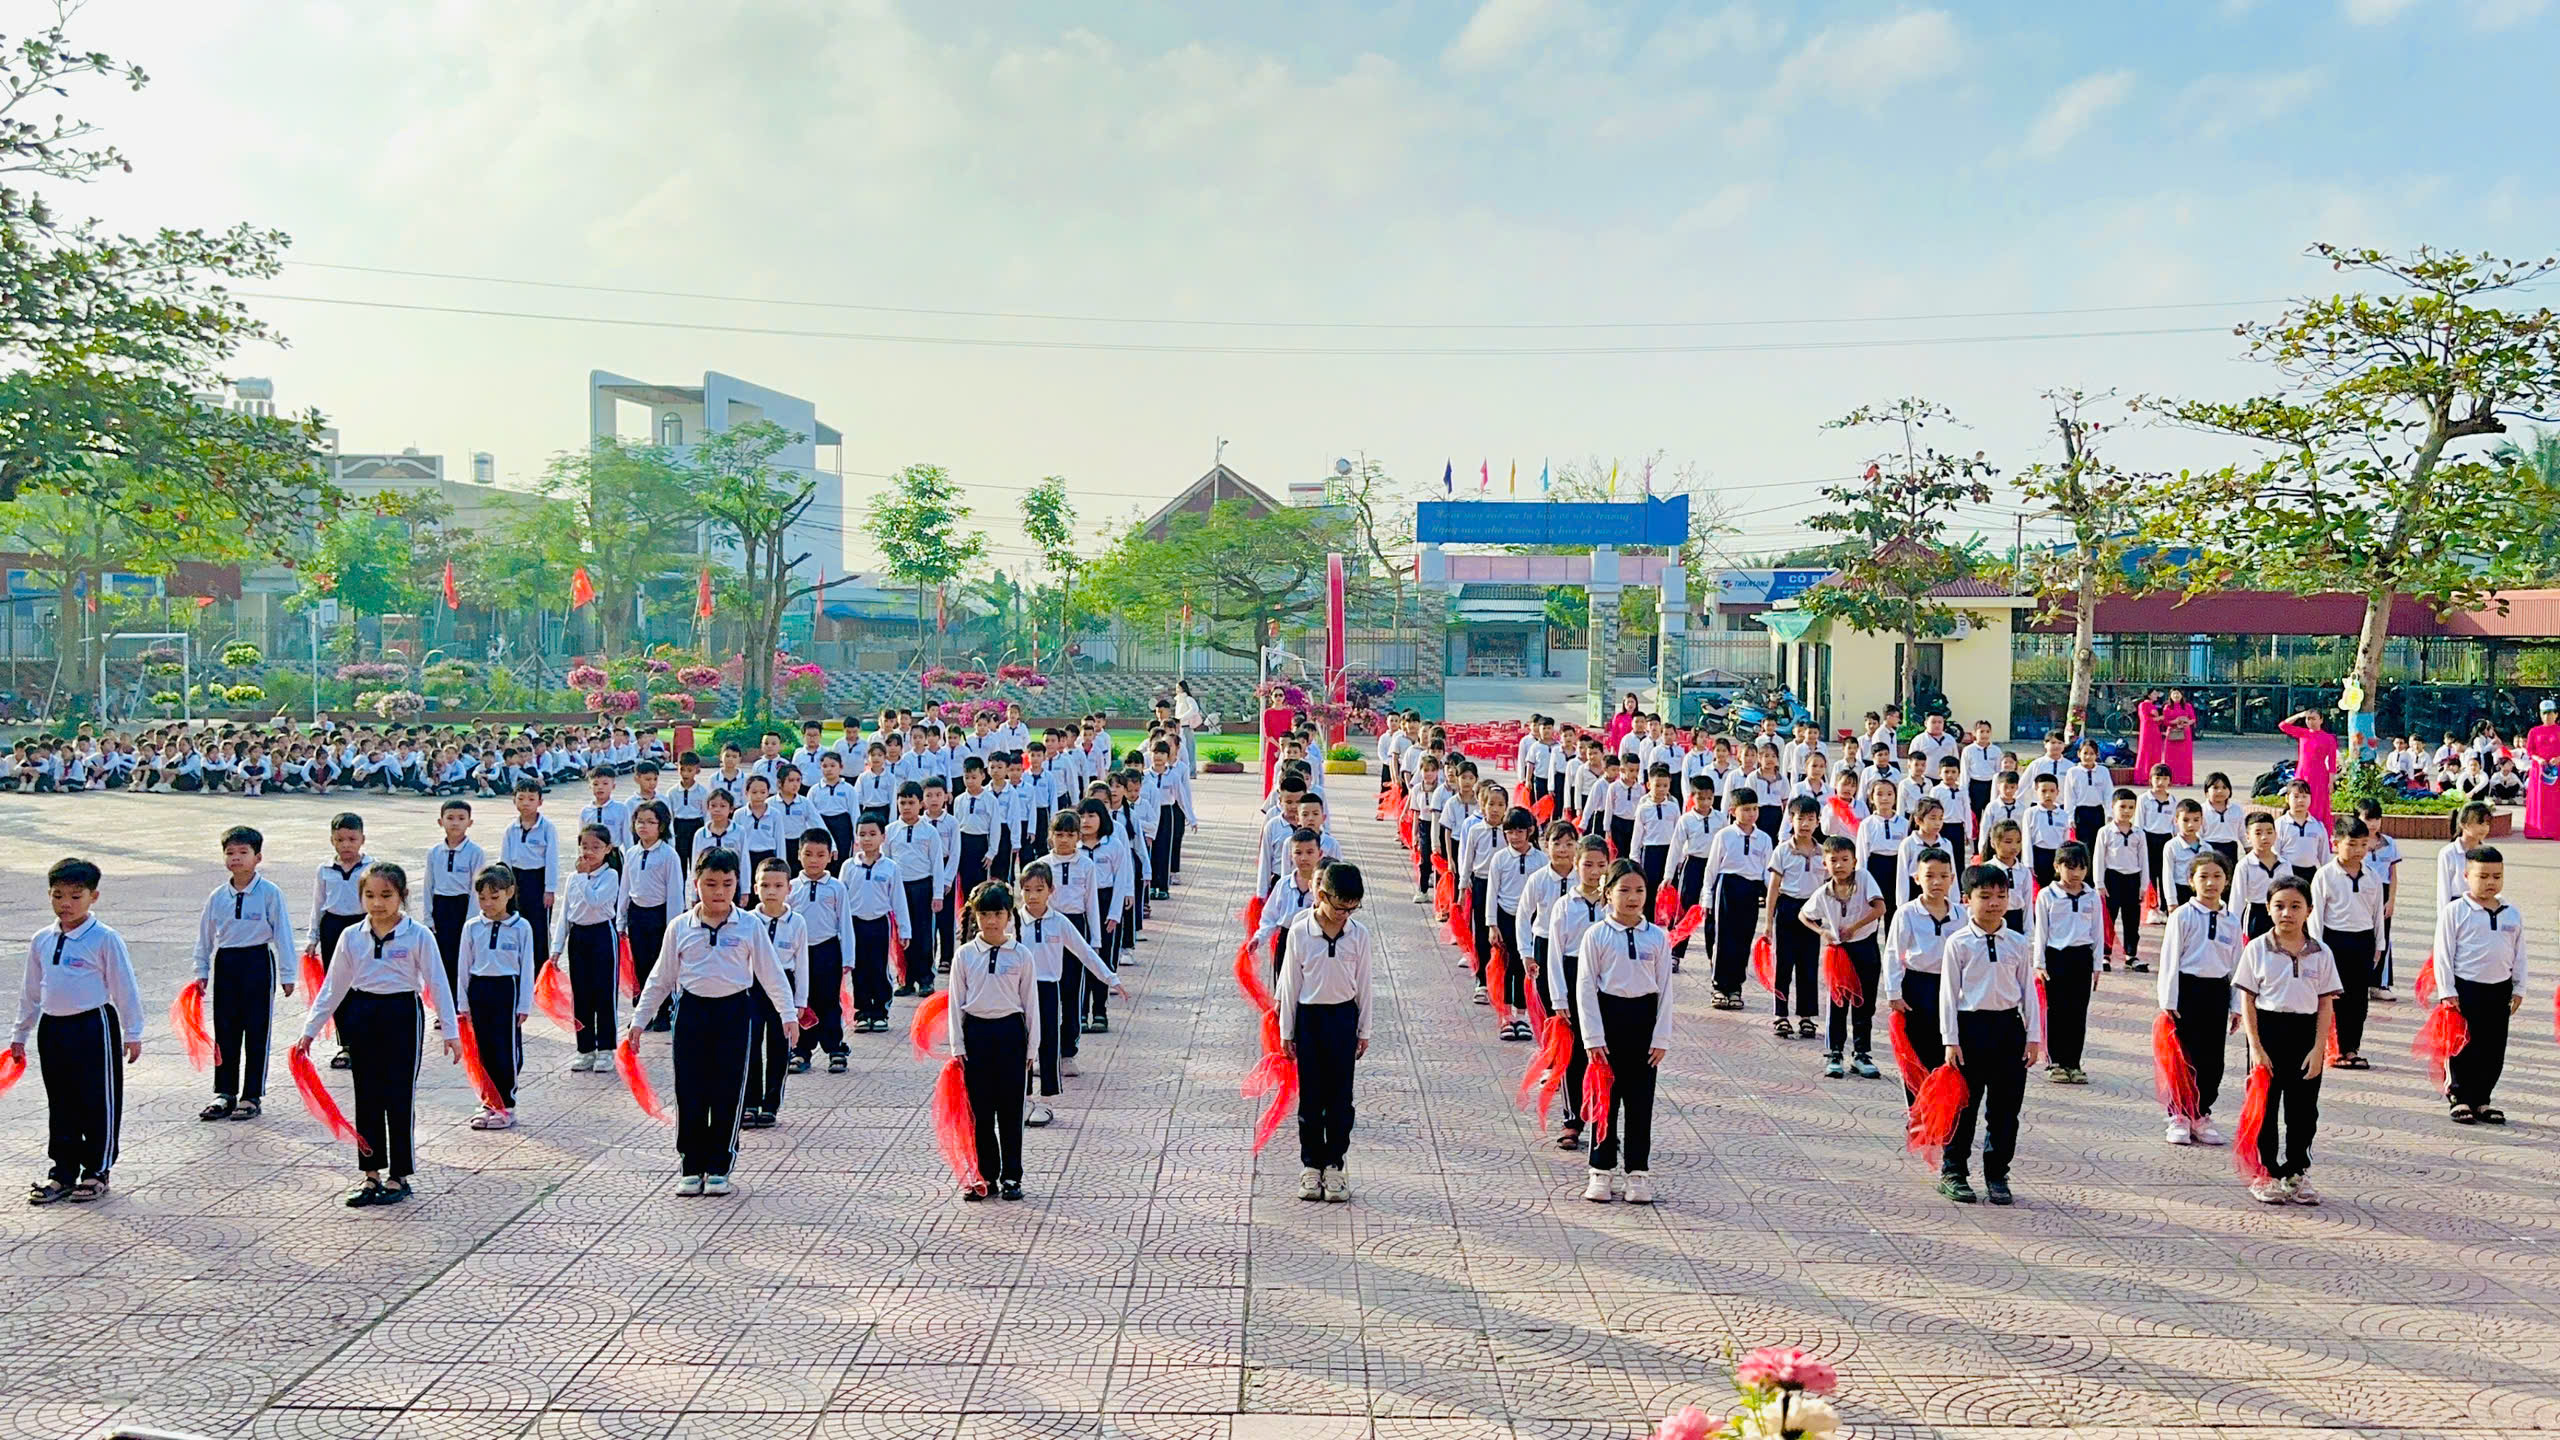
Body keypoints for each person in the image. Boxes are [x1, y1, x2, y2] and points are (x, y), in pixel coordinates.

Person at [628, 847, 796, 1197]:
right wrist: (639, 1020)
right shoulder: (680, 927)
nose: (719, 892)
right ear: (696, 884)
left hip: (734, 1012)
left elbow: (771, 973)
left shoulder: (749, 925)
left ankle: (719, 1165)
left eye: (727, 884)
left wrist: (788, 1014)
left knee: (728, 1088)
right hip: (691, 1012)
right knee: (690, 1089)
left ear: (738, 885)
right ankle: (691, 1165)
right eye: (711, 883)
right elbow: (661, 978)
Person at [296, 863, 463, 1208]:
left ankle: (398, 1175)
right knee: (367, 1095)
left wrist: (451, 1030)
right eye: (370, 895)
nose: (377, 903)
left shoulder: (418, 935)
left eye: (386, 895)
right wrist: (310, 1031)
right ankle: (370, 1174)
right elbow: (333, 986)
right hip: (363, 1013)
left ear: (402, 896)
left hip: (402, 1014)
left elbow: (438, 982)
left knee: (399, 1095)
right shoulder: (351, 936)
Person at [13, 857, 143, 1205]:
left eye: (75, 896)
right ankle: (63, 1171)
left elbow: (124, 986)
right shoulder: (42, 939)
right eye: (57, 896)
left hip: (93, 1025)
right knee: (61, 1101)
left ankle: (97, 1170)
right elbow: (30, 990)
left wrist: (133, 1031)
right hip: (53, 1027)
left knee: (97, 1099)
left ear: (93, 897)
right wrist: (20, 1033)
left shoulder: (104, 938)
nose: (65, 904)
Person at [1937, 864, 2042, 1206]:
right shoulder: (1958, 943)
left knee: (2005, 1109)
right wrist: (1950, 1040)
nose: (1994, 903)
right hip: (1970, 1030)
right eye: (1985, 896)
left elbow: (2028, 992)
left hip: (2008, 1029)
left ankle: (1997, 1173)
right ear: (1967, 899)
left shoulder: (2017, 942)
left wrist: (2033, 1036)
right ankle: (1954, 1171)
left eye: (2001, 896)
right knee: (1964, 1107)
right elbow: (1948, 995)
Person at [2233, 877, 2338, 1205]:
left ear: (2309, 910)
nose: (2287, 913)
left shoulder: (2321, 952)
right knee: (2264, 1107)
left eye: (2295, 906)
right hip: (2268, 1031)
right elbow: (2248, 1000)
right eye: (2279, 906)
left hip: (2305, 1034)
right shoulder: (2257, 949)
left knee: (2303, 1110)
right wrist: (2256, 1047)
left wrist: (2319, 1048)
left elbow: (2325, 1003)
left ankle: (2296, 1172)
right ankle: (2265, 1173)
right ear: (2268, 909)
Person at [1576, 858, 1675, 1205]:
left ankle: (1637, 1172)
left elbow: (1665, 989)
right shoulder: (1596, 935)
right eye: (1624, 890)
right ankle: (1600, 1169)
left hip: (1643, 1023)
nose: (1633, 898)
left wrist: (1661, 1037)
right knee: (1605, 1099)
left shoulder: (1657, 937)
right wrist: (1592, 1037)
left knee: (1639, 1101)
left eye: (1639, 890)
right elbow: (1585, 988)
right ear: (1607, 893)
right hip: (1608, 1020)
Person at [1279, 862, 1374, 1204]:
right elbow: (1290, 984)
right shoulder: (1300, 933)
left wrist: (1364, 1029)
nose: (1344, 915)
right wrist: (1286, 1030)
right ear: (1321, 895)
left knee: (1340, 1098)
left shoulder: (1359, 935)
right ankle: (1311, 1165)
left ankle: (1335, 1163)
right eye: (1339, 907)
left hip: (1343, 1018)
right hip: (1310, 1019)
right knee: (1311, 1097)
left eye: (1352, 909)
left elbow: (1365, 984)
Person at [192, 825, 296, 1124]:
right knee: (225, 1030)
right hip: (227, 962)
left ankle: (251, 1095)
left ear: (257, 857)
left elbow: (283, 933)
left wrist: (288, 973)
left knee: (256, 1029)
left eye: (242, 852)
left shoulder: (269, 893)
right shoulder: (218, 896)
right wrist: (201, 969)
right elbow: (205, 935)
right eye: (229, 853)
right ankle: (224, 1092)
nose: (235, 858)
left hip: (257, 961)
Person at [947, 881, 1036, 1201]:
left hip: (1010, 1034)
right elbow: (956, 1003)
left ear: (1009, 915)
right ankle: (986, 1175)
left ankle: (1012, 1176)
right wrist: (957, 1045)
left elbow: (1031, 1004)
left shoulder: (1022, 955)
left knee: (1010, 1111)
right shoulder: (964, 955)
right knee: (980, 1113)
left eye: (998, 914)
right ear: (975, 916)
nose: (992, 921)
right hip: (977, 1036)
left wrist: (1032, 1048)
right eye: (984, 914)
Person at [2434, 846, 2525, 1126]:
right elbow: (2443, 953)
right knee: (2462, 1046)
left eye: (2497, 876)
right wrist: (2447, 990)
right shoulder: (2455, 911)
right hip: (2465, 990)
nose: (2490, 882)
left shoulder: (2511, 914)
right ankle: (2459, 1097)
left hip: (2499, 990)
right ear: (2466, 876)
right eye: (2483, 876)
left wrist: (2519, 988)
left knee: (2493, 1048)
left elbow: (2519, 954)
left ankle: (2482, 1099)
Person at [2158, 850, 2241, 1147]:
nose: (2210, 883)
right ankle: (2179, 1115)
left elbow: (2236, 966)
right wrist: (2169, 1001)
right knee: (2184, 1058)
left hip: (2216, 993)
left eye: (2217, 876)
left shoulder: (2232, 920)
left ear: (2226, 881)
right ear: (2191, 881)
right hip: (2187, 992)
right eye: (2203, 876)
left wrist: (2236, 1005)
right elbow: (2170, 958)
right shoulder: (2182, 915)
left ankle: (2201, 1113)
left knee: (2212, 1061)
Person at [458, 864, 536, 1130]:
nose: (488, 903)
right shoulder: (472, 927)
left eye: (494, 896)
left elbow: (527, 967)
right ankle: (488, 1102)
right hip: (480, 988)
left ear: (509, 893)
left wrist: (524, 1003)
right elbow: (463, 965)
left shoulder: (521, 927)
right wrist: (463, 1002)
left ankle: (506, 1104)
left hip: (507, 990)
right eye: (482, 898)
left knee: (506, 1049)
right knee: (483, 1049)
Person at [2307, 818, 2386, 1071]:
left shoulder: (2372, 877)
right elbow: (2316, 915)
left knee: (2358, 999)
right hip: (2334, 941)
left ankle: (2352, 1048)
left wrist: (2379, 945)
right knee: (2335, 997)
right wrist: (2317, 947)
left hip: (2363, 941)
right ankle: (2335, 1049)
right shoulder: (2325, 875)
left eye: (2363, 844)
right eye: (2352, 844)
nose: (2358, 850)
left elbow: (2377, 914)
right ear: (2336, 843)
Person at [1807, 835, 1885, 1080]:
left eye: (1844, 859)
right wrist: (1822, 931)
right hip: (1840, 952)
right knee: (1838, 1003)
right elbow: (1804, 915)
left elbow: (1880, 907)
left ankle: (1861, 1053)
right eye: (1833, 860)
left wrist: (1854, 927)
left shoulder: (1864, 879)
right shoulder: (1823, 892)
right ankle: (1835, 1052)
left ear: (1854, 861)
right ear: (1825, 864)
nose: (1839, 865)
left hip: (1865, 946)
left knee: (1865, 1002)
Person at [744, 858, 811, 1130]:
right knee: (750, 1044)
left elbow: (802, 963)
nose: (771, 891)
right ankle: (750, 1102)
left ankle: (771, 1104)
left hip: (785, 984)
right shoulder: (747, 920)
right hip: (753, 986)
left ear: (789, 888)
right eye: (765, 885)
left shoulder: (797, 922)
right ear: (755, 887)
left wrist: (800, 1001)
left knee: (779, 1046)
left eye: (778, 885)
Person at [2032, 842, 2100, 1086]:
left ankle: (2074, 1063)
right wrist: (2039, 963)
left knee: (2078, 1012)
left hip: (2081, 958)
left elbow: (2097, 931)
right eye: (2070, 867)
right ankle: (2056, 1062)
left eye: (2081, 868)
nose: (2076, 873)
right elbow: (2041, 931)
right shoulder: (2047, 895)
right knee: (2057, 1011)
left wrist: (2097, 964)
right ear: (2057, 867)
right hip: (2056, 957)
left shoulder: (2091, 895)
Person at [1760, 798, 1826, 1040]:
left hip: (1812, 912)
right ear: (1791, 820)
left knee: (1808, 965)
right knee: (1784, 964)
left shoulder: (1823, 852)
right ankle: (1780, 1014)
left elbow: (1828, 887)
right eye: (1800, 819)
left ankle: (1807, 1016)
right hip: (1788, 908)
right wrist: (1768, 922)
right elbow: (1773, 888)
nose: (1805, 824)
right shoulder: (1782, 850)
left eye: (1810, 819)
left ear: (1818, 822)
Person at [2277, 708, 2342, 827]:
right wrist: (2299, 715)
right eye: (2308, 719)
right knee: (2299, 799)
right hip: (2302, 773)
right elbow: (2283, 726)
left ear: (2321, 720)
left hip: (2319, 775)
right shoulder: (2303, 733)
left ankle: (2316, 828)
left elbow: (2332, 762)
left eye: (2314, 719)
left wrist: (2331, 781)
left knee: (2317, 803)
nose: (2310, 721)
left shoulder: (2329, 738)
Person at [2161, 689, 2198, 787]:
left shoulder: (2187, 706)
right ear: (2170, 696)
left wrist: (2187, 722)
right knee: (2171, 758)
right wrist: (2176, 721)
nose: (2176, 695)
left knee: (2184, 758)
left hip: (2185, 733)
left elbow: (2193, 719)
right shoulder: (2167, 707)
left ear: (2182, 695)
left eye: (2178, 693)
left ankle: (2184, 779)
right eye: (2174, 694)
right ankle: (2171, 779)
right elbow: (2165, 721)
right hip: (2172, 733)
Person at [2134, 688, 2166, 780]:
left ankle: (2153, 774)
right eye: (2154, 694)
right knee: (2146, 752)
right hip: (2147, 731)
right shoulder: (2143, 705)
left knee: (2155, 752)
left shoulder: (2153, 706)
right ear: (2149, 695)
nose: (2156, 696)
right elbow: (2145, 719)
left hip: (2155, 731)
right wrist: (2158, 718)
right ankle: (2143, 775)